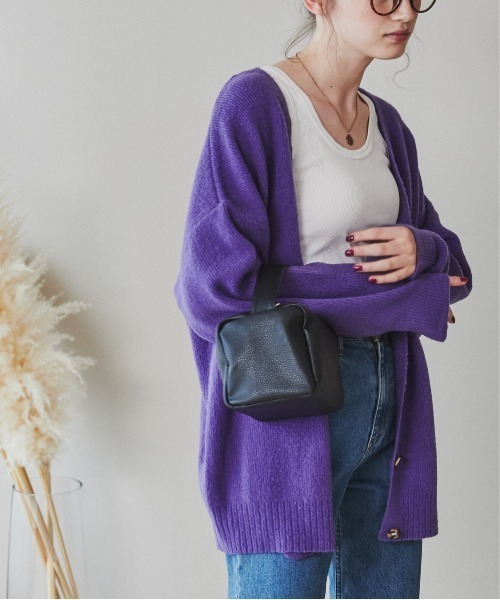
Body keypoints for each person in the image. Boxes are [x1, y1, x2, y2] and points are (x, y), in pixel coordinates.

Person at [173, 0, 473, 597]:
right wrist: (399, 299)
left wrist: (422, 250)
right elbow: (213, 288)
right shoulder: (256, 103)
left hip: (391, 395)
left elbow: (454, 274)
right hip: (287, 408)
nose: (405, 12)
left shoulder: (388, 126)